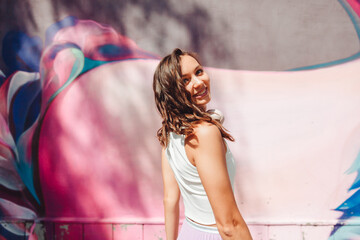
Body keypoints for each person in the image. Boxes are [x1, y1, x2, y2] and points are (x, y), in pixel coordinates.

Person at [153, 48, 253, 240]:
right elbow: (229, 225)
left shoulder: (170, 130)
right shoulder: (205, 134)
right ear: (173, 92)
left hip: (188, 233)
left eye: (198, 72)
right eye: (185, 80)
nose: (199, 82)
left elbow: (170, 200)